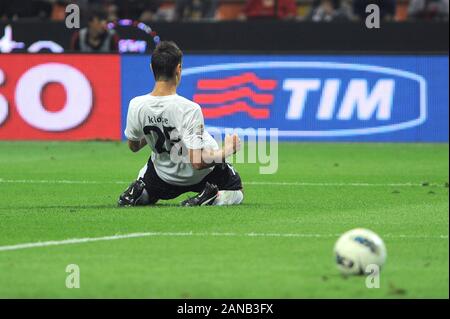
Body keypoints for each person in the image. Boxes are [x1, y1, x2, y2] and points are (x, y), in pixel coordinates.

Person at [118, 41, 244, 207]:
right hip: (200, 176)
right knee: (236, 191)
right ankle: (211, 196)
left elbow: (133, 146)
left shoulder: (136, 104)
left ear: (151, 68)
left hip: (162, 176)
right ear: (178, 69)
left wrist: (154, 131)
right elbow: (197, 162)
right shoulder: (189, 109)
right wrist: (228, 149)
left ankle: (140, 193)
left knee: (149, 179)